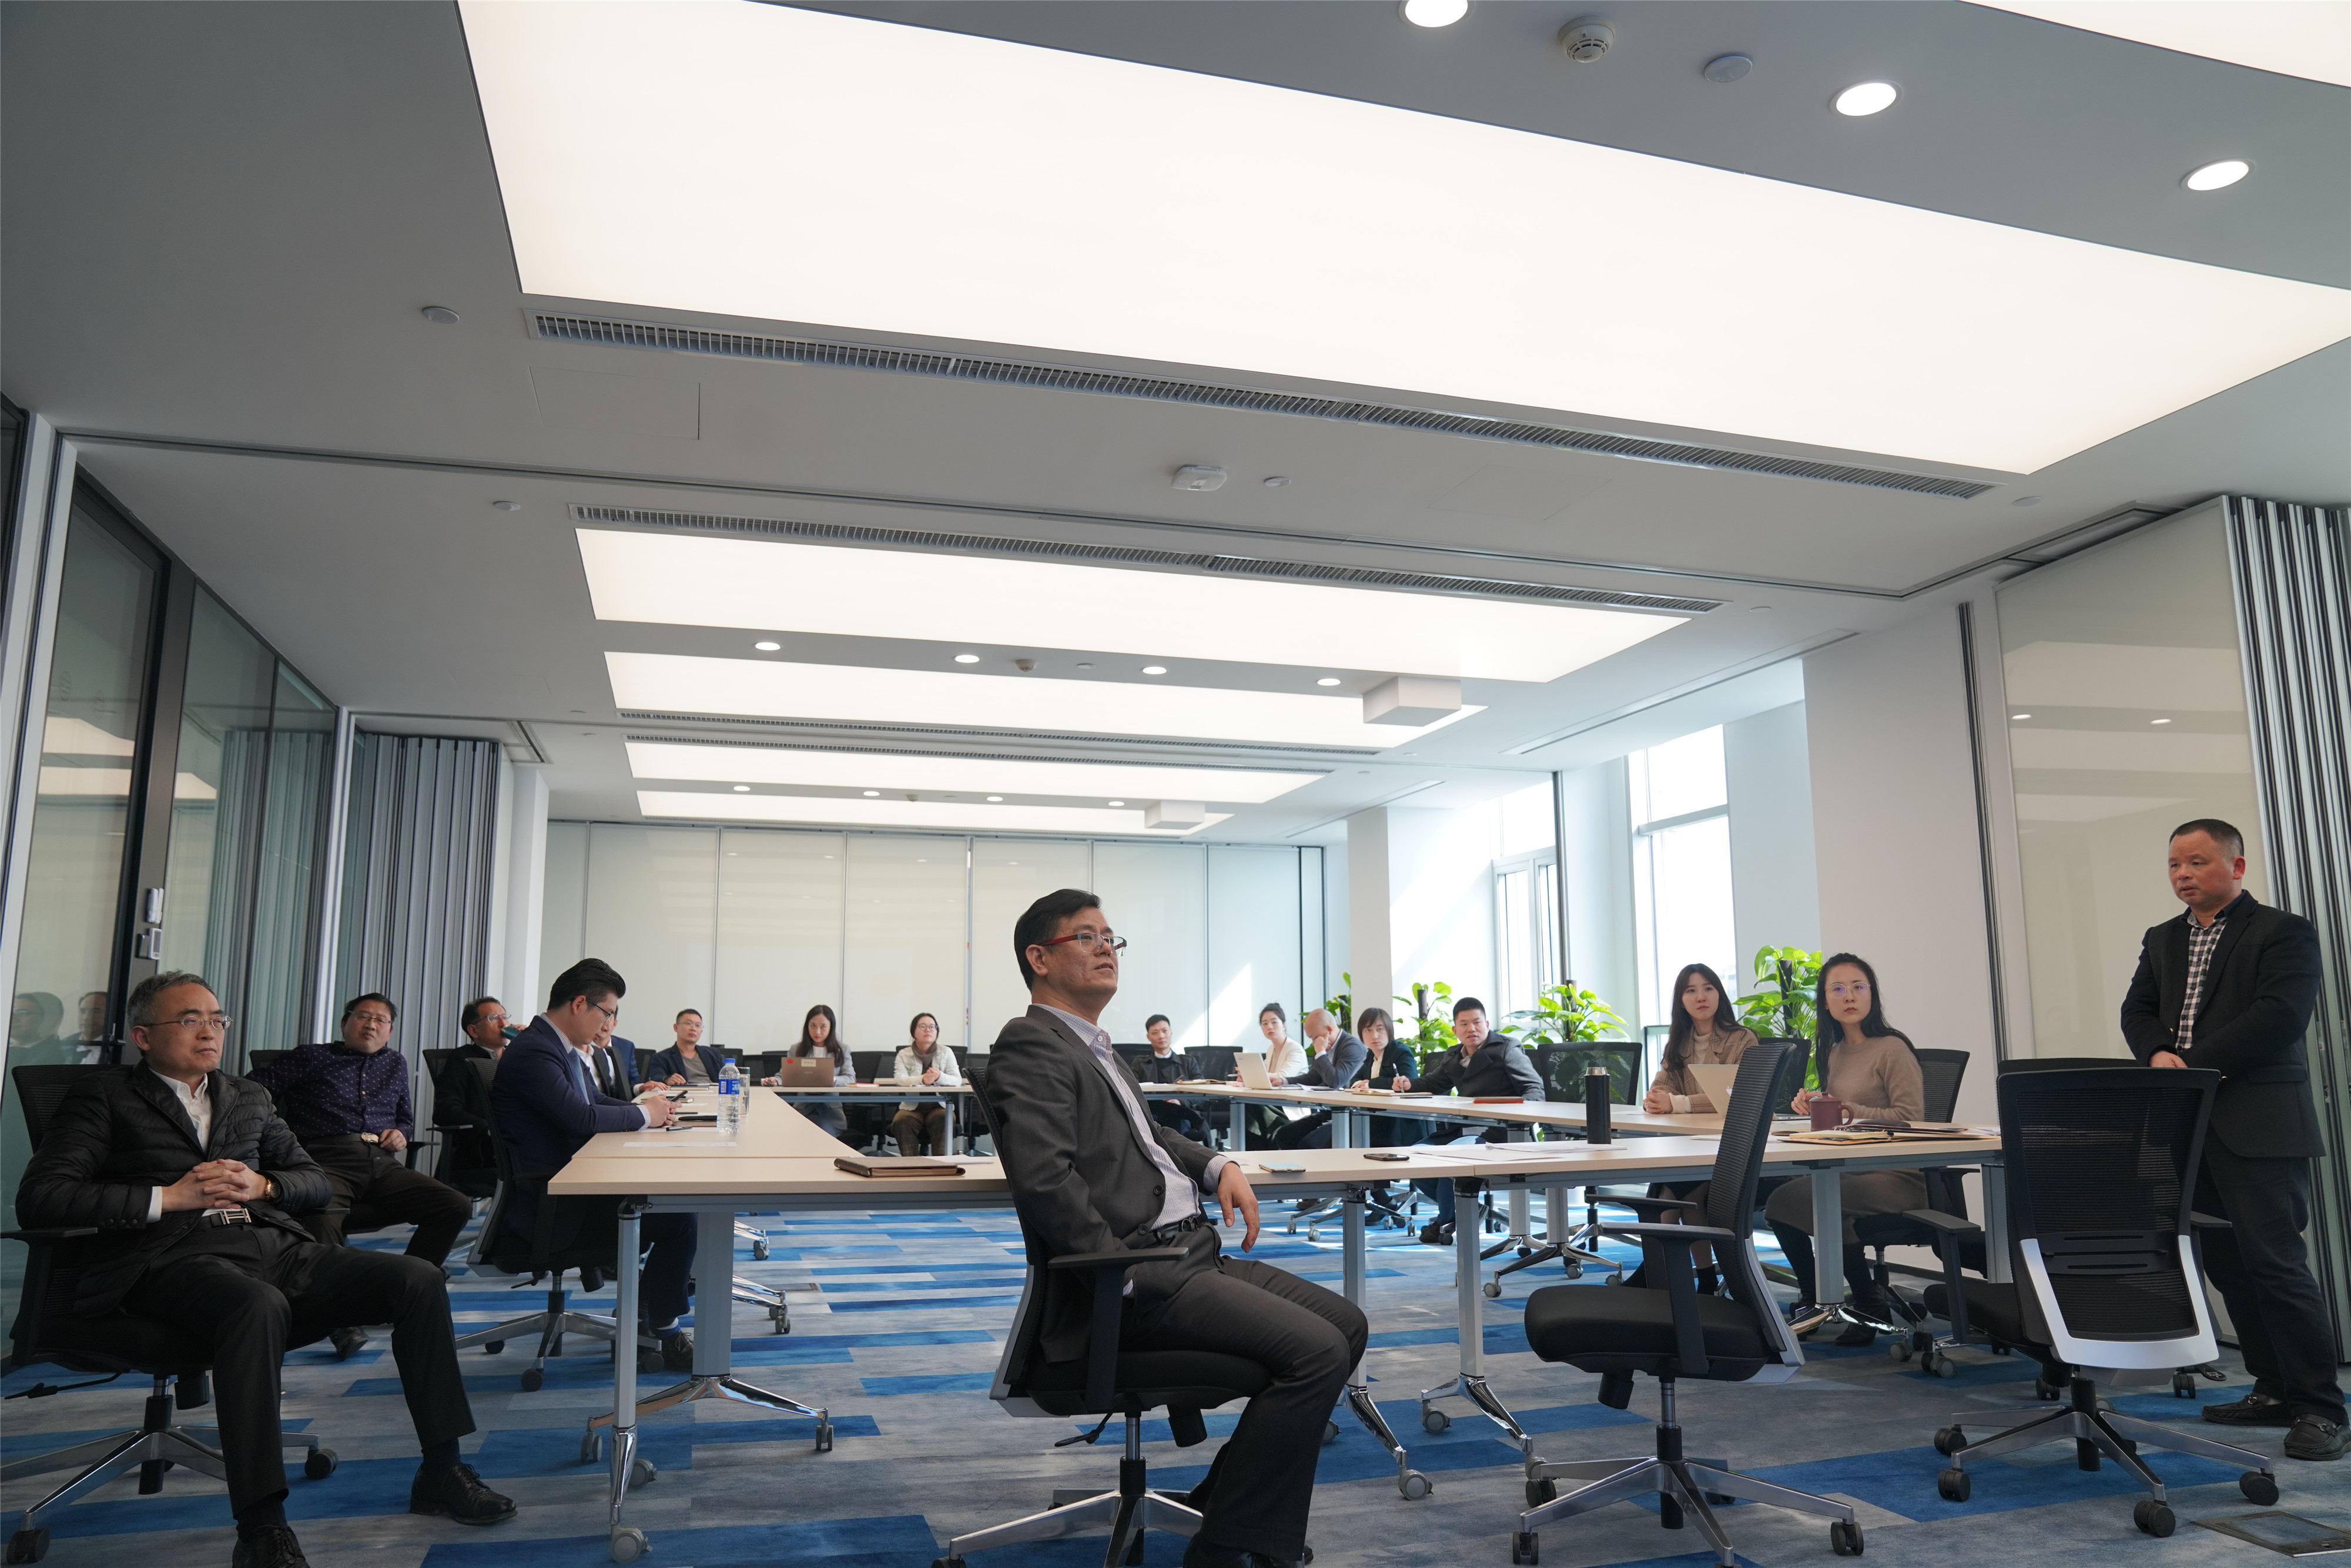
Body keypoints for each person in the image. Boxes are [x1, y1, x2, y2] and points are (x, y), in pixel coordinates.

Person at [16, 970, 515, 1568]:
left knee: (417, 1279)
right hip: (169, 1256)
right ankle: (262, 1526)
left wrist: (265, 1185)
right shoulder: (104, 1095)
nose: (209, 1032)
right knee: (257, 1303)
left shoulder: (245, 1096)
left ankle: (442, 1470)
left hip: (271, 1244)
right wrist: (170, 1197)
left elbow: (313, 1180)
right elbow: (44, 1197)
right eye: (190, 1020)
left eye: (217, 1020)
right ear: (144, 1036)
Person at [990, 889, 1365, 1568]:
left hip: (1191, 1252)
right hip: (1144, 1272)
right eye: (1086, 936)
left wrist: (1217, 1163)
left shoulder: (1096, 1046)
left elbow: (1151, 1136)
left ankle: (1225, 1507)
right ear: (1039, 959)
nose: (1107, 948)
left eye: (1111, 937)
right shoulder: (1032, 1043)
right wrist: (1122, 1275)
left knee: (1347, 1325)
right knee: (1315, 1353)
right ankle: (1227, 1547)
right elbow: (1045, 1179)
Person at [2122, 817, 2343, 1460]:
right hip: (2188, 1126)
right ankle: (2272, 1390)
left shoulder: (2283, 931)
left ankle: (2322, 1407)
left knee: (2276, 1265)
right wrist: (2156, 1052)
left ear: (2236, 866)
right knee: (2226, 1265)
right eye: (2174, 864)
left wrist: (2188, 1064)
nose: (2183, 874)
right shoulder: (2162, 937)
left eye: (2197, 862)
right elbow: (2137, 1010)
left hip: (2259, 1124)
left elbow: (2279, 1018)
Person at [491, 957, 698, 1372]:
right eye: (607, 1012)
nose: (608, 1023)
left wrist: (648, 1111)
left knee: (673, 1206)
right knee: (680, 1218)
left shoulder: (556, 1047)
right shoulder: (536, 1051)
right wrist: (645, 1115)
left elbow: (595, 1101)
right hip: (551, 1205)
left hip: (570, 1183)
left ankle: (647, 1317)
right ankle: (662, 1326)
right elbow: (582, 1119)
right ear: (580, 1004)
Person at [246, 993, 474, 1358]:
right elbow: (251, 1091)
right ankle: (338, 1320)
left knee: (454, 1205)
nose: (371, 1025)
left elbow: (405, 1117)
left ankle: (400, 1290)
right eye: (363, 1016)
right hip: (326, 1158)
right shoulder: (312, 1056)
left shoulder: (395, 1063)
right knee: (322, 1218)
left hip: (382, 1162)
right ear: (344, 1023)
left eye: (381, 1020)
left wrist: (401, 1132)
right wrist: (278, 1144)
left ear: (390, 1031)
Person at [1762, 954, 1925, 1342]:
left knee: (1817, 1199)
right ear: (1825, 1000)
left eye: (1858, 987)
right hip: (1851, 1167)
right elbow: (1839, 1118)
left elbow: (1911, 1118)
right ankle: (1814, 1299)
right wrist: (1814, 1103)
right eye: (1838, 989)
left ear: (1872, 994)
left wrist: (1847, 1109)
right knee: (1781, 1201)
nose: (1849, 996)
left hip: (1896, 1174)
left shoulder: (1893, 1049)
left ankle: (1868, 1302)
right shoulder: (1835, 1050)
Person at [1626, 963, 1758, 1294]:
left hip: (1734, 1148)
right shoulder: (1680, 1042)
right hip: (1693, 1144)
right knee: (1681, 1187)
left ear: (1719, 994)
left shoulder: (1742, 1039)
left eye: (1708, 988)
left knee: (1675, 1188)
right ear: (1681, 1001)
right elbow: (1661, 1088)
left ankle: (1659, 1274)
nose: (1701, 996)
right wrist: (1656, 1100)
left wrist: (1678, 1103)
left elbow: (1737, 1096)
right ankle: (1700, 1278)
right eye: (1691, 990)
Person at [1411, 996, 1544, 1246]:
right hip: (1463, 1131)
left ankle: (1444, 1221)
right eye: (1464, 1024)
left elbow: (1534, 1089)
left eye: (1477, 1022)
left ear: (1487, 1024)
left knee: (1451, 1159)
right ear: (1455, 1030)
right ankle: (1463, 1208)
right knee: (1416, 1157)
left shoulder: (1507, 1048)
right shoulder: (1454, 1055)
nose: (1471, 1028)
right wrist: (1406, 1085)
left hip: (1499, 1133)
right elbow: (1432, 1083)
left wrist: (1516, 1113)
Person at [430, 997, 508, 1201]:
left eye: (505, 1017)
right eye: (494, 1018)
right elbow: (445, 1111)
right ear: (474, 1031)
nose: (504, 1023)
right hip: (480, 1155)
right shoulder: (463, 1059)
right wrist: (490, 1129)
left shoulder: (518, 1056)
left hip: (517, 1148)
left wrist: (529, 1045)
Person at [1265, 1009, 1369, 1151]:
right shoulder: (1326, 1047)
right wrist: (1284, 1081)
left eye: (1314, 1038)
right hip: (1327, 1112)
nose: (1313, 1042)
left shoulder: (1352, 1047)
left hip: (1349, 1115)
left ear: (1329, 1030)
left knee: (1309, 1144)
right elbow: (1312, 1078)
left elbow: (1336, 1081)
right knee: (1285, 1135)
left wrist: (1320, 1052)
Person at [761, 1004, 852, 1137]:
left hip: (830, 1112)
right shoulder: (797, 1049)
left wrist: (831, 1079)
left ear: (831, 1027)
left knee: (822, 1133)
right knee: (791, 1135)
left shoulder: (842, 1050)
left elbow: (850, 1078)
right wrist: (775, 1080)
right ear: (807, 1026)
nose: (817, 1032)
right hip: (803, 1110)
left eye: (823, 1027)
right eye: (813, 1026)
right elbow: (785, 1075)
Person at [890, 1011, 962, 1155]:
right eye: (923, 1026)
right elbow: (900, 1079)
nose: (928, 1030)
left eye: (932, 1027)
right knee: (901, 1120)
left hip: (939, 1107)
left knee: (944, 1118)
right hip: (912, 1107)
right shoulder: (904, 1054)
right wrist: (922, 1079)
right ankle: (912, 1165)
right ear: (913, 1032)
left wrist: (940, 1077)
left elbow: (957, 1080)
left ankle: (941, 1164)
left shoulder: (946, 1052)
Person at [1133, 1013, 1208, 1142]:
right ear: (1148, 1037)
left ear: (1171, 1032)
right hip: (1151, 1116)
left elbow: (1202, 1092)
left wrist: (1180, 1101)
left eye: (1165, 1031)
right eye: (1155, 1033)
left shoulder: (1188, 1062)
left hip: (1181, 1116)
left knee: (1175, 1115)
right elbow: (1131, 1091)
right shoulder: (1140, 1063)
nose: (1161, 1036)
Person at [1242, 1003, 1308, 1147]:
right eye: (1265, 1024)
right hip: (1272, 1102)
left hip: (1290, 1105)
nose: (1270, 1027)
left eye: (1274, 1022)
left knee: (1250, 1107)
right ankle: (1256, 1150)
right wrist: (1247, 1076)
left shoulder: (1295, 1049)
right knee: (1245, 1106)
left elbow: (1282, 1077)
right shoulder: (1271, 1049)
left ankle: (1258, 1150)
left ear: (1284, 1025)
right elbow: (1264, 1076)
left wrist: (1256, 1075)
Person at [650, 1008, 725, 1086]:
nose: (693, 1029)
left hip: (713, 1092)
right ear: (676, 1027)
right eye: (689, 1024)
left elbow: (726, 1077)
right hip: (685, 1093)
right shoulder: (661, 1057)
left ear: (701, 1031)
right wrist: (667, 1079)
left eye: (698, 1025)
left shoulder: (713, 1053)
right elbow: (656, 1077)